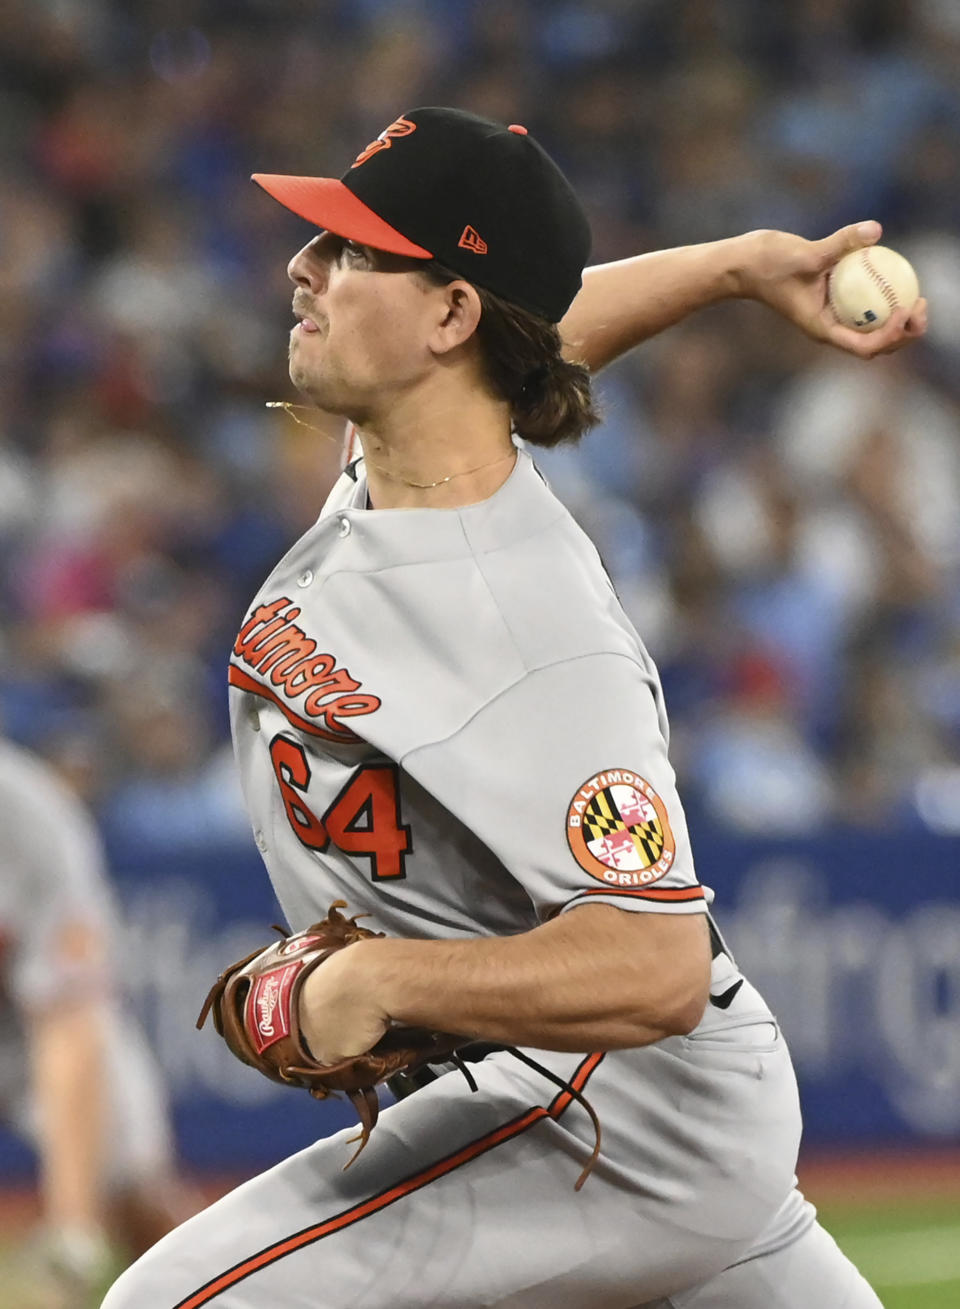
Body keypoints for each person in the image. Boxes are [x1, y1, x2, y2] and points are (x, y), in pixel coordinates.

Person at [102, 107, 925, 1309]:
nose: (304, 265)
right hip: (644, 1110)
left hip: (624, 1119)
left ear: (447, 316)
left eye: (354, 251)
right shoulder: (412, 459)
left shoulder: (530, 630)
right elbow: (542, 331)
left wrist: (383, 980)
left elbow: (655, 967)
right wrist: (740, 264)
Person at [0, 736, 197, 1307]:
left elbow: (68, 1024)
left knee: (134, 1191)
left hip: (24, 1023)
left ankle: (208, 1292)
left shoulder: (25, 810)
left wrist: (75, 1230)